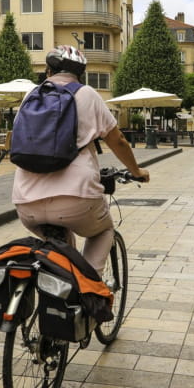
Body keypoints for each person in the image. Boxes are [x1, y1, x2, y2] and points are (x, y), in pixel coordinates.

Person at [12, 45, 150, 278]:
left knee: (60, 249)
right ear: (80, 74)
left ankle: (61, 284)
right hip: (77, 199)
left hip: (26, 202)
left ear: (48, 71)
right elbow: (118, 141)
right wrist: (136, 171)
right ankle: (89, 289)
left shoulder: (30, 95)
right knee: (103, 230)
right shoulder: (87, 94)